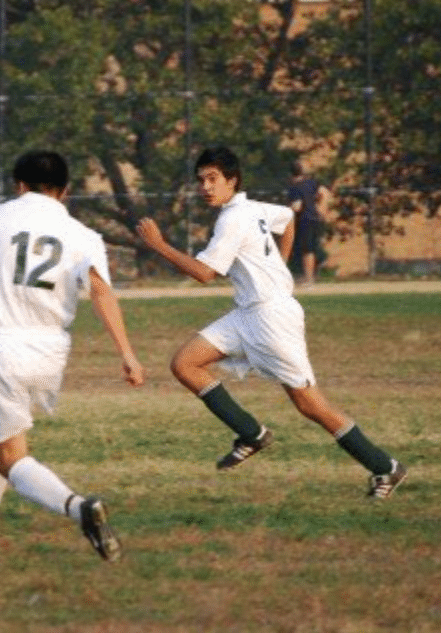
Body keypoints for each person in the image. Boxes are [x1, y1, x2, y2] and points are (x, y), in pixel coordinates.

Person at [135, 146, 407, 498]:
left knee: (310, 404)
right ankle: (252, 434)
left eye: (213, 179)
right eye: (201, 180)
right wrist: (280, 264)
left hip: (272, 319)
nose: (205, 187)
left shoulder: (233, 219)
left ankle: (385, 467)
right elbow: (288, 218)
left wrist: (158, 245)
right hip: (248, 313)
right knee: (185, 363)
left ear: (232, 180)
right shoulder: (253, 208)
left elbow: (204, 273)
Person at [0, 150, 145, 559]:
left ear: (19, 185)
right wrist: (127, 353)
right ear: (65, 191)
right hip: (50, 351)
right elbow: (101, 292)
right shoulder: (83, 234)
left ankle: (80, 508)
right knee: (2, 433)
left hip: (1, 347)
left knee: (10, 458)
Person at [286, 160, 328, 286]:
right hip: (314, 218)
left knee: (307, 250)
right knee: (310, 248)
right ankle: (309, 275)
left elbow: (297, 206)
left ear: (290, 175)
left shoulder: (295, 187)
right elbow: (324, 193)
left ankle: (309, 279)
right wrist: (322, 209)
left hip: (304, 220)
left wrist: (285, 210)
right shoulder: (311, 183)